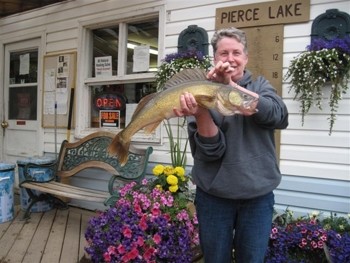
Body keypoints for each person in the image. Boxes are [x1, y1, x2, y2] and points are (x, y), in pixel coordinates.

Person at [174, 27, 289, 263]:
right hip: (214, 198)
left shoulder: (260, 87)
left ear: (246, 58)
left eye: (236, 52)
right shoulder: (201, 92)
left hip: (257, 198)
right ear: (214, 59)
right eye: (223, 53)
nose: (230, 59)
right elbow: (210, 151)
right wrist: (203, 111)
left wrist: (230, 87)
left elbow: (279, 116)